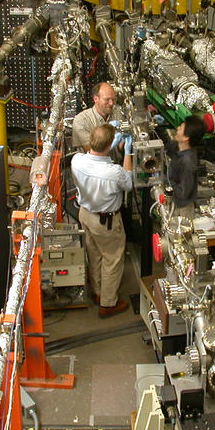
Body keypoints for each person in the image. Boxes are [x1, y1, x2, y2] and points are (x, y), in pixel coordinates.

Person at [70, 124, 133, 316]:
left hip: (85, 215)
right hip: (106, 223)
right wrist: (128, 152)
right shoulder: (113, 172)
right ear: (109, 145)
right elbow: (128, 183)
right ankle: (107, 303)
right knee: (112, 259)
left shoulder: (76, 160)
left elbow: (91, 152)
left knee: (94, 253)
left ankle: (97, 292)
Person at [165, 115, 207, 218]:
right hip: (173, 202)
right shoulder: (179, 147)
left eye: (181, 127)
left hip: (181, 211)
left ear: (186, 138)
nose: (177, 128)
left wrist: (166, 180)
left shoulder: (188, 163)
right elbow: (169, 148)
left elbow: (183, 193)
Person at [72, 82, 117, 151]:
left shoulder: (118, 114)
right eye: (107, 99)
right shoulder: (82, 120)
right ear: (95, 99)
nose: (111, 103)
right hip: (93, 161)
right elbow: (92, 150)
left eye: (113, 99)